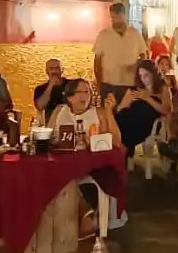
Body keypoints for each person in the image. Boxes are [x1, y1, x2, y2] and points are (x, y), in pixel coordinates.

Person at [47, 78, 126, 233]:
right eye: (80, 92)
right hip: (64, 161)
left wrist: (109, 112)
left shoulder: (98, 113)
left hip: (91, 165)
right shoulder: (60, 111)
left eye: (87, 92)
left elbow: (117, 142)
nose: (85, 96)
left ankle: (85, 215)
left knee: (70, 178)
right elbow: (48, 137)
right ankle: (84, 214)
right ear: (70, 97)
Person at [115, 59, 174, 159]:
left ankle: (124, 154)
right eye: (140, 76)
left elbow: (167, 110)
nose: (143, 79)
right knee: (117, 121)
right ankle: (119, 155)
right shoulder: (135, 89)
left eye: (146, 75)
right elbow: (120, 109)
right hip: (128, 119)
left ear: (153, 74)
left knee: (124, 129)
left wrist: (147, 98)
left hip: (147, 123)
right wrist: (127, 101)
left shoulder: (162, 88)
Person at [94, 3, 148, 101]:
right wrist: (99, 84)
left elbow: (144, 56)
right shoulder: (103, 35)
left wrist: (138, 71)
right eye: (113, 17)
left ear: (124, 16)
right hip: (108, 85)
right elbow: (97, 61)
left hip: (130, 84)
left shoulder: (135, 34)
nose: (115, 20)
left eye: (118, 17)